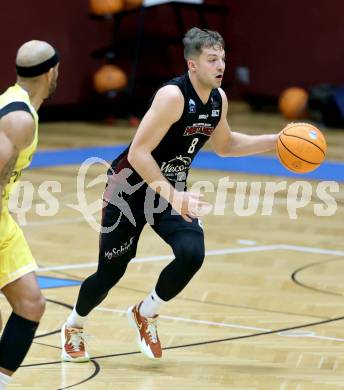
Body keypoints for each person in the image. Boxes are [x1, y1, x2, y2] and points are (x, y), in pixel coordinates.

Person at [61, 27, 279, 362]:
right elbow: (138, 153)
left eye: (222, 57)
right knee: (111, 272)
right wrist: (174, 196)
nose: (220, 65)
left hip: (168, 188)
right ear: (192, 65)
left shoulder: (218, 99)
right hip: (129, 188)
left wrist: (275, 141)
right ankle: (74, 325)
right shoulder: (172, 97)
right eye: (211, 59)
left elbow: (226, 145)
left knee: (192, 252)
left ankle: (146, 312)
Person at [0, 41, 59, 387]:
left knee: (31, 304)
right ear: (52, 72)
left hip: (3, 220)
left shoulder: (18, 107)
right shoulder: (19, 118)